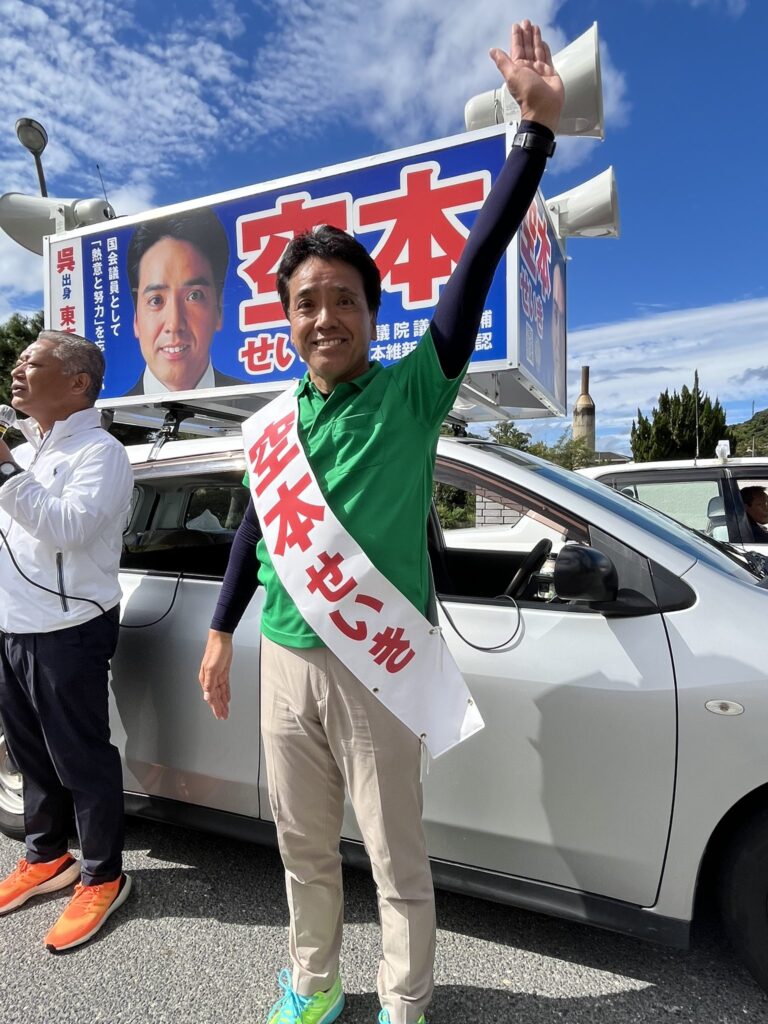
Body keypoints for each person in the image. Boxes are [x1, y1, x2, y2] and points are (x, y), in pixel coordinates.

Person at [198, 20, 563, 1024]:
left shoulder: (411, 393)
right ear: (285, 318)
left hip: (377, 667)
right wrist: (224, 630)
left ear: (373, 308)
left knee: (397, 856)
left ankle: (405, 1001)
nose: (325, 319)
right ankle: (312, 988)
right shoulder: (275, 422)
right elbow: (254, 530)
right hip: (284, 658)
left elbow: (478, 260)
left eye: (344, 301)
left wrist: (531, 135)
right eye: (306, 304)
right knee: (302, 846)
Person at [0, 331, 134, 951]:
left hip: (69, 628)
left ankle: (105, 875)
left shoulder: (101, 452)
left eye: (35, 361)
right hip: (14, 626)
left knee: (82, 757)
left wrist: (3, 467)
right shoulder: (33, 449)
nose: (18, 368)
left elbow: (70, 530)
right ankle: (48, 856)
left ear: (78, 382)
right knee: (29, 757)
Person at [124, 207, 242, 395]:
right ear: (136, 319)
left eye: (194, 296)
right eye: (156, 300)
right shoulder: (106, 420)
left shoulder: (262, 410)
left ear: (218, 308)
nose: (174, 323)